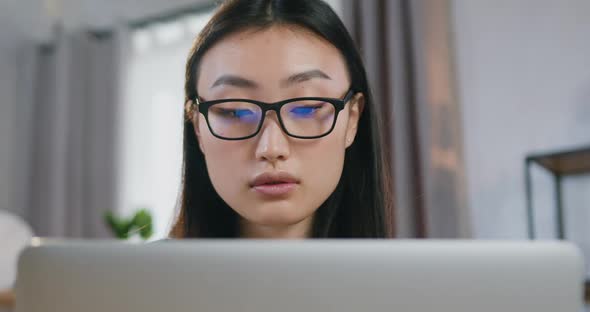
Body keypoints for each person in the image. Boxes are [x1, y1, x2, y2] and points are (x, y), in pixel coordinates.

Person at [169, 0, 393, 239]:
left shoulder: (402, 277)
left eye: (307, 109)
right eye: (235, 111)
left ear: (352, 119)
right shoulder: (138, 277)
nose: (271, 148)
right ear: (198, 128)